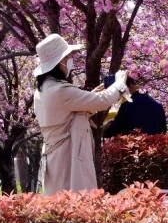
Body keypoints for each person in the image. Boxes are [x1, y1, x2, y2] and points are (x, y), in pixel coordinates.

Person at [33, 33, 130, 196]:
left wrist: (87, 98)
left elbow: (67, 113)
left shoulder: (43, 89)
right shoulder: (60, 90)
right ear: (60, 61)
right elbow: (103, 100)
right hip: (68, 156)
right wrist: (120, 84)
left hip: (56, 155)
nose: (70, 60)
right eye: (68, 57)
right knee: (73, 199)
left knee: (58, 201)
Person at [103, 75, 167, 137]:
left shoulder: (127, 106)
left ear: (131, 85)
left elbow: (115, 129)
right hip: (153, 143)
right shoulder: (158, 105)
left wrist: (104, 128)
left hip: (132, 142)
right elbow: (163, 132)